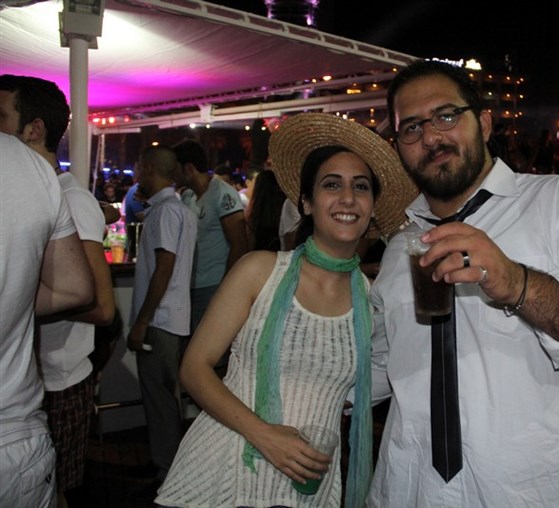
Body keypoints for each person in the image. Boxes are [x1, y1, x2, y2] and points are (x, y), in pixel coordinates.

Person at [368, 59, 559, 506]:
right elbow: (380, 369)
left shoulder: (556, 204)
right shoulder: (399, 250)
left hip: (530, 494)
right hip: (411, 490)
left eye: (446, 115)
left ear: (484, 124)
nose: (431, 136)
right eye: (411, 127)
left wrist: (516, 283)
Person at [155, 112, 417, 508]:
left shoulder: (371, 300)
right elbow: (194, 369)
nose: (348, 198)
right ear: (307, 203)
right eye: (332, 184)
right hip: (221, 474)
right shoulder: (260, 271)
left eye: (361, 187)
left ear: (371, 207)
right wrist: (265, 435)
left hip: (307, 486)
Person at [0, 73, 116, 507]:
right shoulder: (37, 186)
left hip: (56, 378)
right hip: (37, 379)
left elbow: (102, 306)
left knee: (59, 491)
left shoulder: (71, 198)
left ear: (34, 129)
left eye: (1, 116)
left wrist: (14, 296)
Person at [127, 145, 198, 501]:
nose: (136, 172)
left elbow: (163, 268)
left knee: (159, 398)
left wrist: (142, 320)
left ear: (151, 168)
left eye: (140, 166)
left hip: (160, 318)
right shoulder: (177, 209)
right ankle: (165, 464)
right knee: (165, 397)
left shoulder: (167, 212)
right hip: (172, 316)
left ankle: (167, 471)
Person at [172, 139, 248, 338]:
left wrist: (226, 289)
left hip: (213, 287)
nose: (172, 174)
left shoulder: (222, 194)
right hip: (189, 287)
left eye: (175, 168)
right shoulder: (187, 196)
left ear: (188, 168)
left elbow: (240, 244)